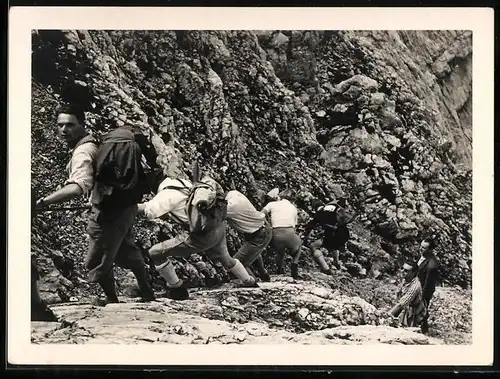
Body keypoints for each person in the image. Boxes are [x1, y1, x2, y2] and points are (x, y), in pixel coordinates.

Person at [36, 104, 155, 306]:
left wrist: (43, 202)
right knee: (127, 250)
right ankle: (147, 290)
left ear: (82, 124)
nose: (64, 130)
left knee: (95, 258)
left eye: (70, 125)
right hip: (125, 205)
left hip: (108, 211)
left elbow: (77, 187)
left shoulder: (83, 151)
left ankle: (110, 299)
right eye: (60, 125)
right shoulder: (96, 140)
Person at [136, 176, 258, 301]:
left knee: (155, 252)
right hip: (216, 225)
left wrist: (124, 208)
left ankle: (177, 289)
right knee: (225, 257)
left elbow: (149, 211)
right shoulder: (181, 183)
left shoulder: (166, 194)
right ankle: (249, 281)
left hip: (202, 234)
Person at [225, 189, 272, 282]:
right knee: (254, 253)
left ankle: (252, 282)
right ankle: (263, 274)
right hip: (263, 227)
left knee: (238, 263)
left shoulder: (229, 208)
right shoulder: (234, 193)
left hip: (259, 234)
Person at [302, 198, 352, 276]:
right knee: (333, 245)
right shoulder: (333, 206)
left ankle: (326, 268)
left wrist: (304, 234)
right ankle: (336, 262)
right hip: (344, 233)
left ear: (315, 208)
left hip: (332, 235)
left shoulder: (318, 214)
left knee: (314, 246)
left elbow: (309, 227)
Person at [261, 188, 303, 279]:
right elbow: (294, 225)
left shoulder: (271, 204)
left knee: (280, 252)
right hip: (290, 233)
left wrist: (267, 224)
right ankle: (294, 265)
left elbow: (261, 214)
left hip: (275, 234)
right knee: (298, 248)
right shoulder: (293, 208)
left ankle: (279, 269)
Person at [388, 263, 427, 329]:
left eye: (406, 271)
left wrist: (389, 313)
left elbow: (402, 303)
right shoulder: (404, 280)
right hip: (404, 308)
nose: (402, 271)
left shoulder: (415, 286)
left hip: (413, 313)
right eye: (402, 268)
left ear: (413, 273)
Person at [415, 236, 439, 334]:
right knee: (417, 307)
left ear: (430, 249)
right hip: (417, 286)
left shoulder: (432, 263)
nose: (420, 249)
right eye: (421, 246)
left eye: (424, 247)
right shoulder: (422, 256)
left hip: (424, 289)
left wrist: (422, 294)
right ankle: (418, 326)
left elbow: (429, 281)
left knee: (422, 307)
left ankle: (424, 329)